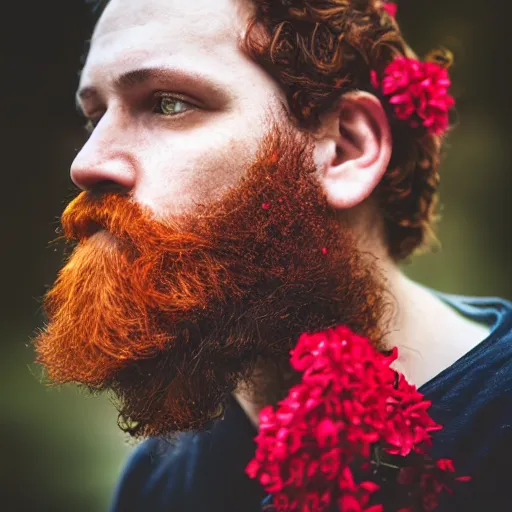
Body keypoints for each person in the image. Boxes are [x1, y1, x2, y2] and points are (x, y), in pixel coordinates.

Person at [33, 0, 512, 510]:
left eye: (167, 103)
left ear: (346, 149)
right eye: (94, 117)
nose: (86, 165)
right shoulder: (157, 485)